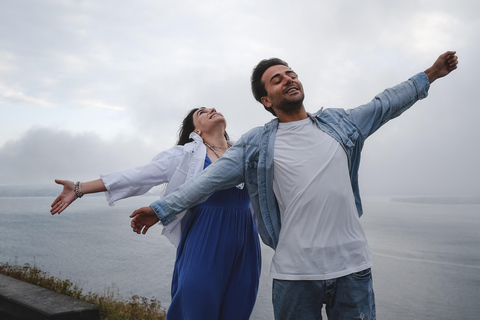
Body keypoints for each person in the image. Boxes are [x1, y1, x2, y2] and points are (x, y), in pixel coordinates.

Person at [130, 51, 459, 319]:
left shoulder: (339, 123)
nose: (288, 79)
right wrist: (160, 209)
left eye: (291, 74)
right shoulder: (256, 145)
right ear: (266, 100)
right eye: (277, 79)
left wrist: (430, 74)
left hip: (353, 270)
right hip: (295, 276)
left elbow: (385, 103)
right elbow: (207, 181)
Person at [50, 107, 261, 320]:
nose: (211, 110)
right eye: (202, 112)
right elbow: (137, 176)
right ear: (195, 130)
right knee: (196, 308)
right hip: (205, 239)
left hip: (246, 244)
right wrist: (79, 188)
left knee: (238, 309)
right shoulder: (185, 154)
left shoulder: (245, 153)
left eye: (211, 108)